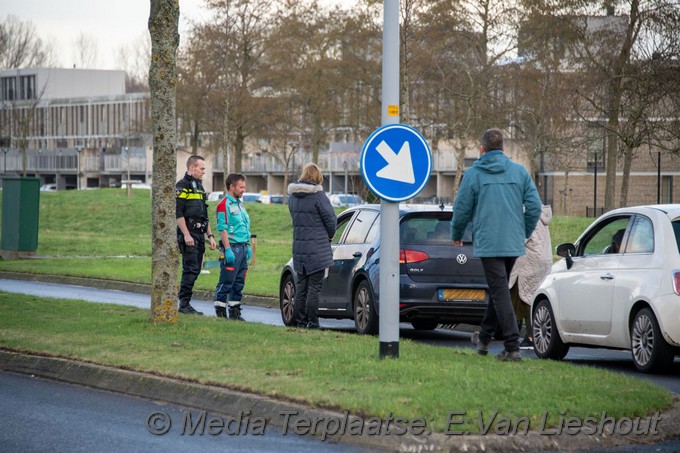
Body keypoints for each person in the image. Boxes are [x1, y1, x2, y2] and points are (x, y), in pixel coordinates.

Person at [451, 128, 541, 361]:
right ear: (503, 149)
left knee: (499, 291)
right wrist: (524, 232)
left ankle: (512, 346)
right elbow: (534, 207)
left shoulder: (473, 175)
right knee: (499, 290)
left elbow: (461, 209)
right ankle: (484, 339)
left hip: (489, 243)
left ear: (482, 150)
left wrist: (457, 234)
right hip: (512, 243)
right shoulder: (520, 172)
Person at [287, 163, 337, 329]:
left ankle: (300, 322)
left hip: (299, 248)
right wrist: (330, 234)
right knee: (314, 288)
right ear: (317, 177)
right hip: (317, 248)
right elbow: (331, 220)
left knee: (301, 286)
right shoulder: (318, 196)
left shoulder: (292, 197)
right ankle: (313, 322)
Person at [176, 155, 217, 315]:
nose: (203, 172)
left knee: (196, 269)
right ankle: (184, 304)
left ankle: (185, 303)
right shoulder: (182, 186)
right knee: (190, 269)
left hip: (200, 234)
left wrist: (211, 236)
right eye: (202, 169)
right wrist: (186, 235)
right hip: (189, 233)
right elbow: (178, 212)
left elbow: (204, 215)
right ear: (192, 168)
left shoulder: (199, 187)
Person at [509, 204, 553, 350]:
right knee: (529, 295)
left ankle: (529, 336)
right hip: (542, 261)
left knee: (523, 297)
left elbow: (520, 238)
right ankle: (524, 334)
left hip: (528, 262)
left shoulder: (525, 213)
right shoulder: (539, 212)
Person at [214, 173, 252, 321]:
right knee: (227, 280)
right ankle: (220, 310)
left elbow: (244, 226)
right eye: (241, 187)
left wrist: (247, 245)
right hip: (231, 248)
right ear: (232, 187)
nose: (243, 190)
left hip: (242, 248)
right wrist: (227, 248)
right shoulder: (223, 205)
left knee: (238, 282)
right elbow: (222, 228)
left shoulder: (239, 204)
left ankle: (235, 312)